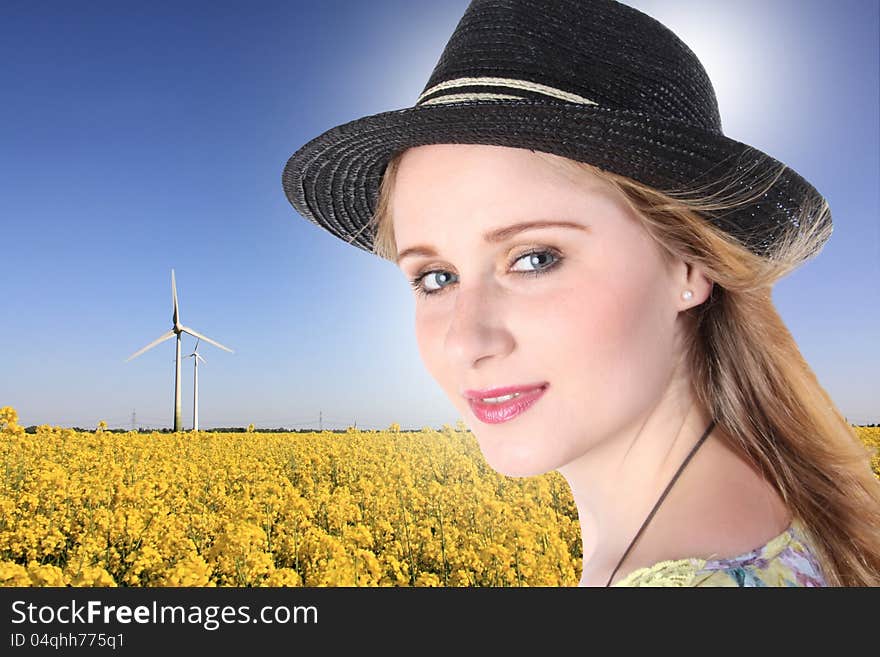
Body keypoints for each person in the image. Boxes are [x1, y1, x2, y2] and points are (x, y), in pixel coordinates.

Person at [281, 0, 880, 586]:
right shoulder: (795, 517)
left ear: (691, 265)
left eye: (535, 258)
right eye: (435, 277)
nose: (467, 339)